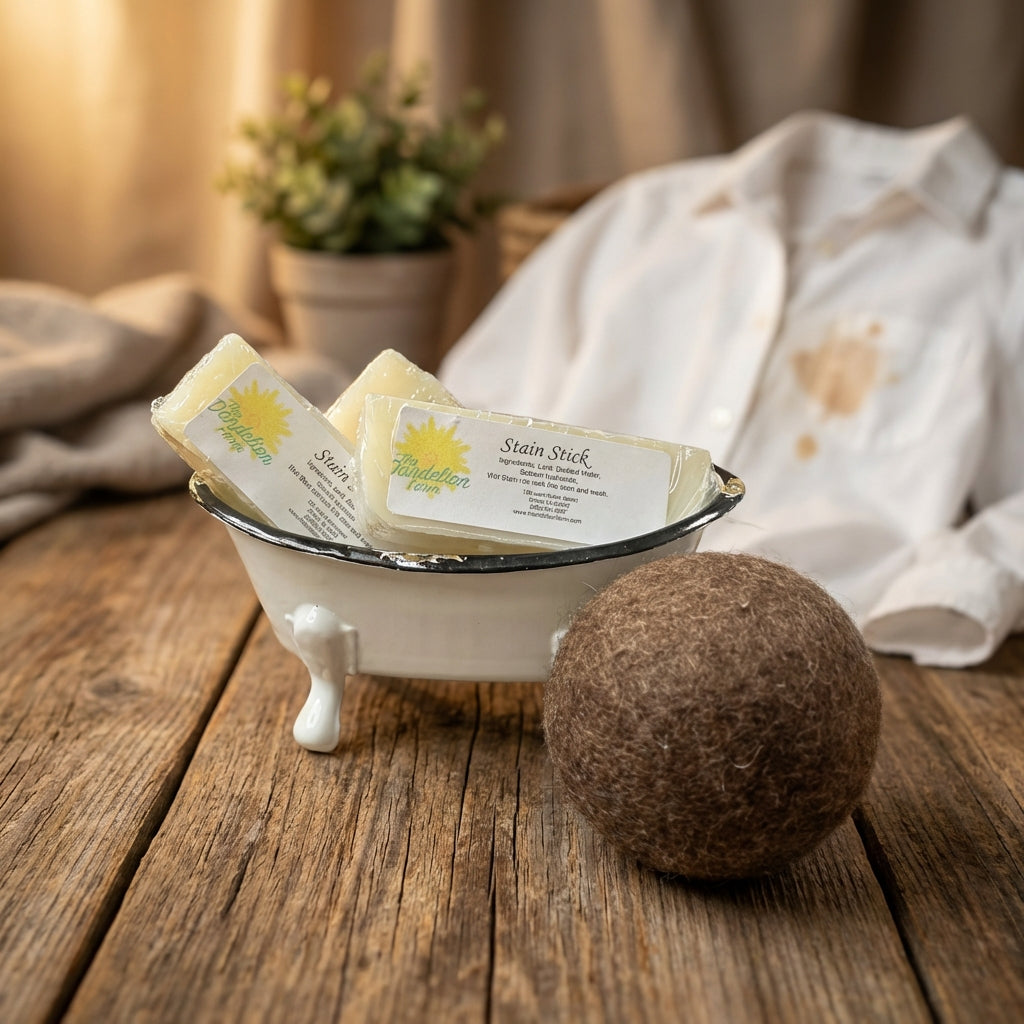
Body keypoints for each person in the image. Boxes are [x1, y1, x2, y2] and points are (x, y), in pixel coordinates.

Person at [440, 111, 1024, 667]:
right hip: (531, 625)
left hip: (836, 657)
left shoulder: (1009, 244)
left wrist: (948, 592)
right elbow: (465, 414)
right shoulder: (641, 217)